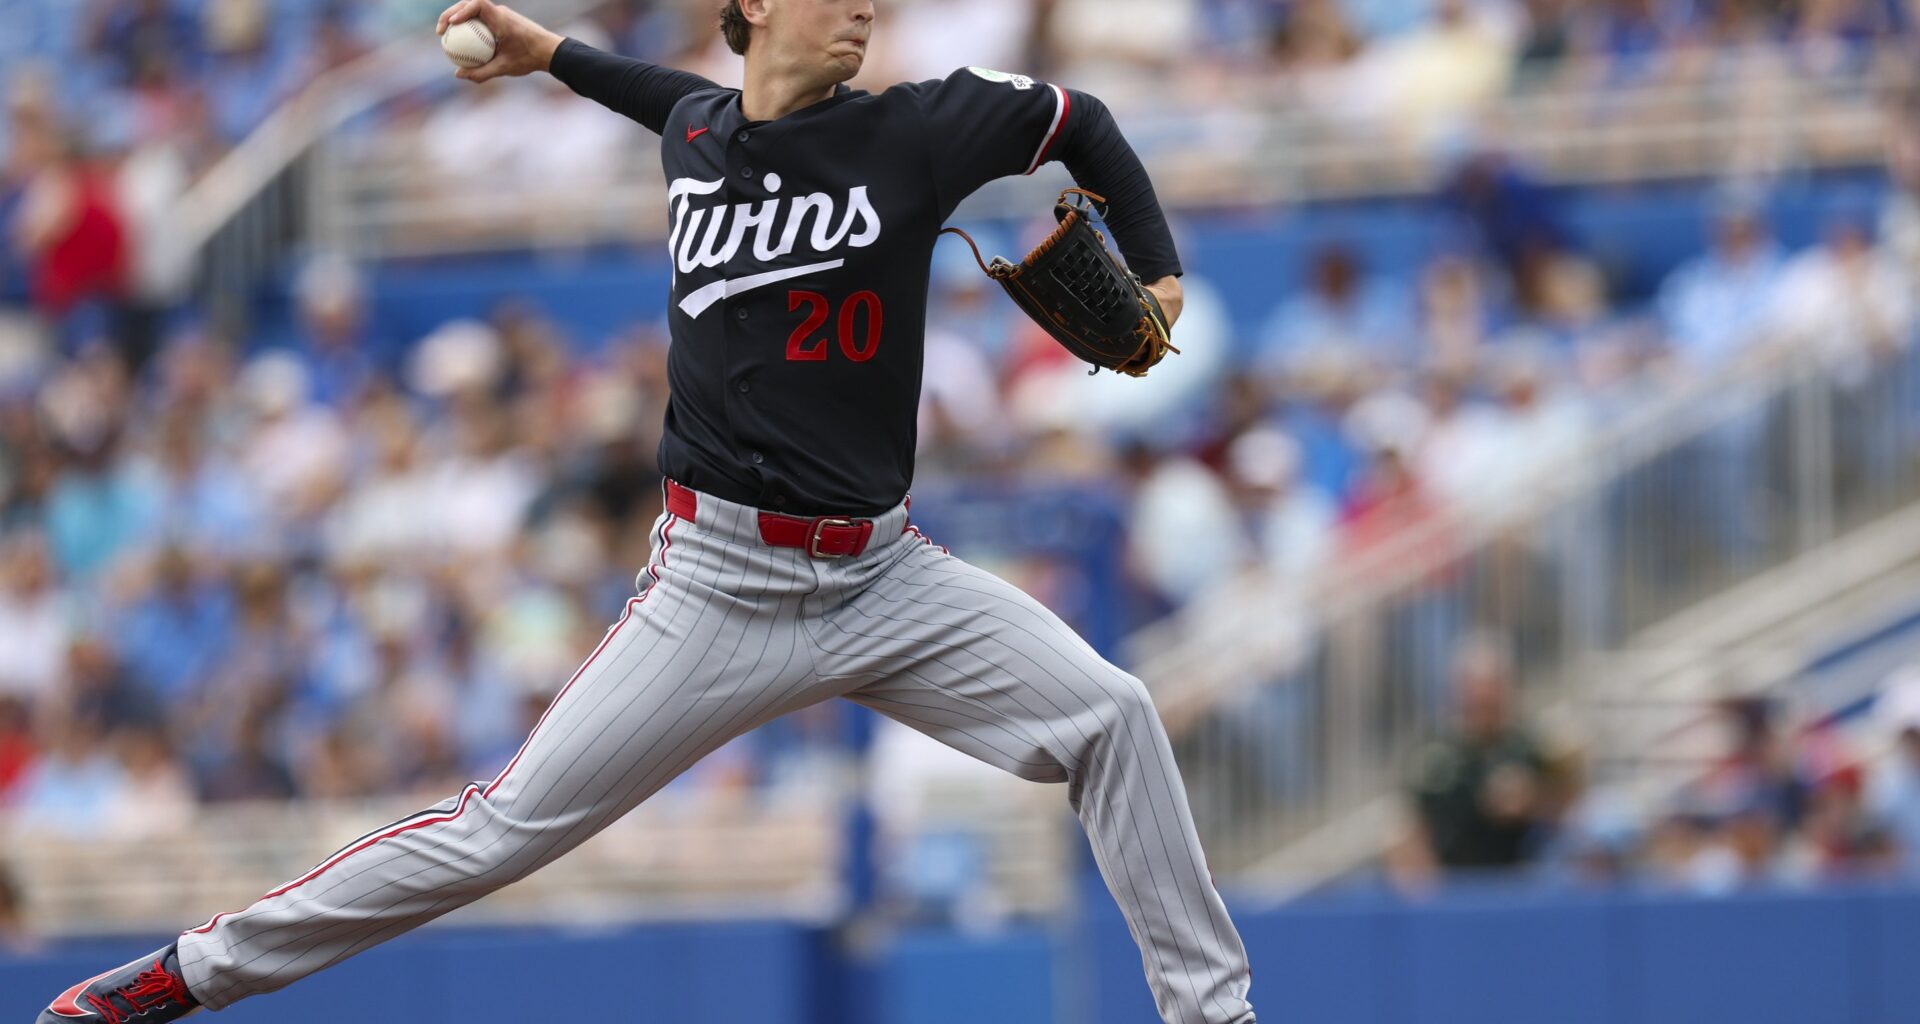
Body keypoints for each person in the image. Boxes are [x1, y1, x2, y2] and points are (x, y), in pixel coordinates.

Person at [35, 2, 1257, 1023]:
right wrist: (546, 50)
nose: (865, 8)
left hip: (887, 577)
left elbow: (1080, 124)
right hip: (716, 588)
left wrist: (1159, 271)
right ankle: (181, 976)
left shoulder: (920, 129)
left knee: (1114, 714)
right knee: (497, 829)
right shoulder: (696, 130)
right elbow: (661, 96)